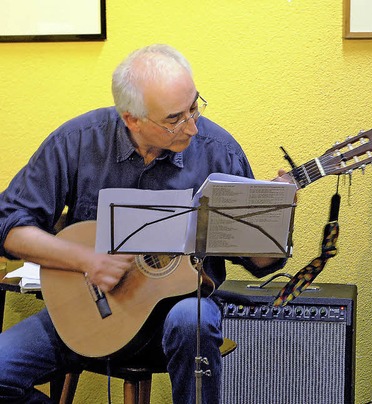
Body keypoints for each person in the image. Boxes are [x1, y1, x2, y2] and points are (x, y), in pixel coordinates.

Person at [0, 44, 287, 403]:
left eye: (195, 107)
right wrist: (87, 260)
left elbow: (260, 264)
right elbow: (9, 227)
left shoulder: (219, 151)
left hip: (178, 318)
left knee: (192, 318)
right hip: (87, 313)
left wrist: (274, 213)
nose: (193, 127)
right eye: (174, 119)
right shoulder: (77, 141)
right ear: (131, 118)